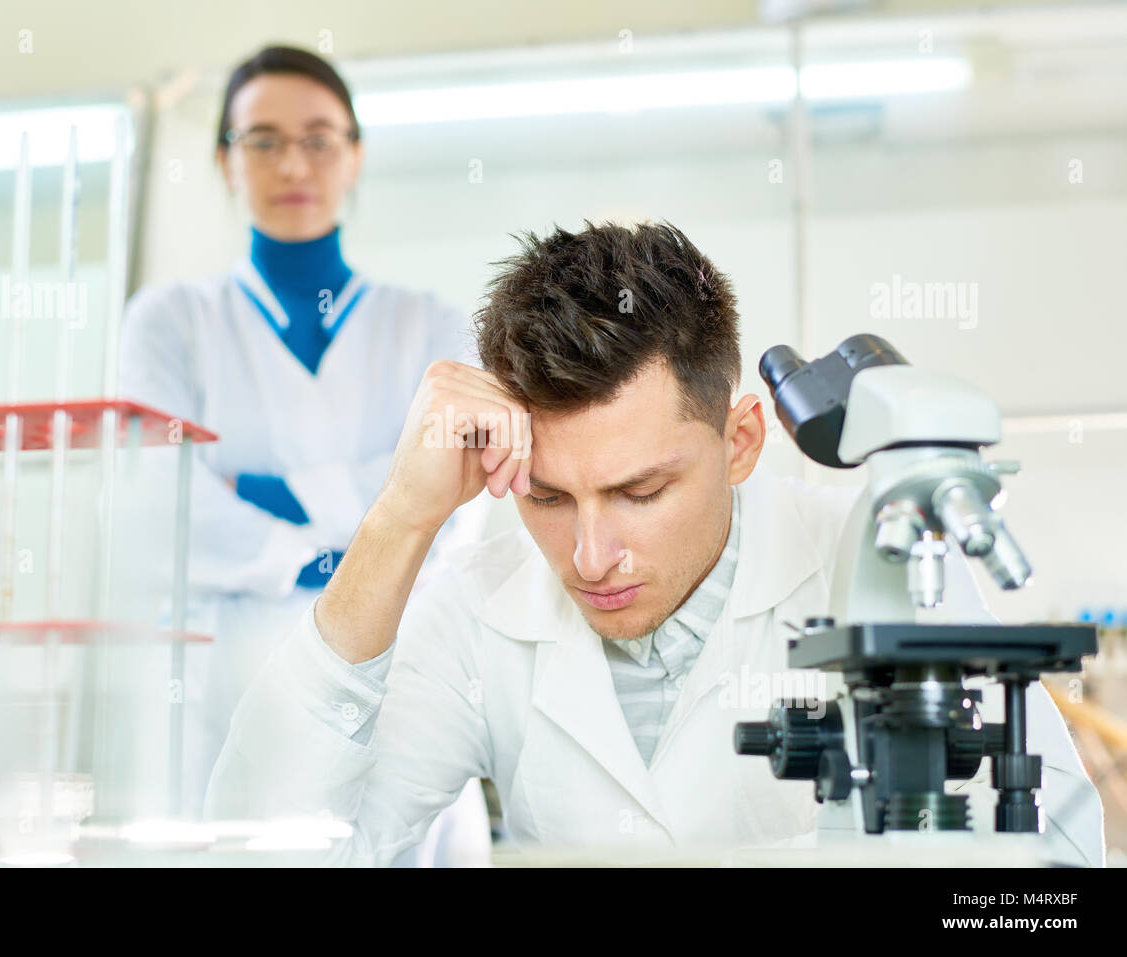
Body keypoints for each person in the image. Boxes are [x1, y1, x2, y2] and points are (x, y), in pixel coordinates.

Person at [204, 220, 1105, 866]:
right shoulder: (482, 601)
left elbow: (1063, 861)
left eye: (641, 491)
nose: (591, 556)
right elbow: (263, 852)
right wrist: (399, 516)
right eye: (549, 495)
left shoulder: (877, 561)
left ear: (740, 441)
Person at [118, 45, 489, 850]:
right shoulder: (171, 322)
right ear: (225, 160)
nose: (293, 161)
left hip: (400, 677)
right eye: (262, 139)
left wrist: (262, 490)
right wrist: (381, 516)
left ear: (354, 155)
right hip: (224, 686)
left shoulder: (430, 326)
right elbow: (161, 501)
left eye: (320, 137)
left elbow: (462, 491)